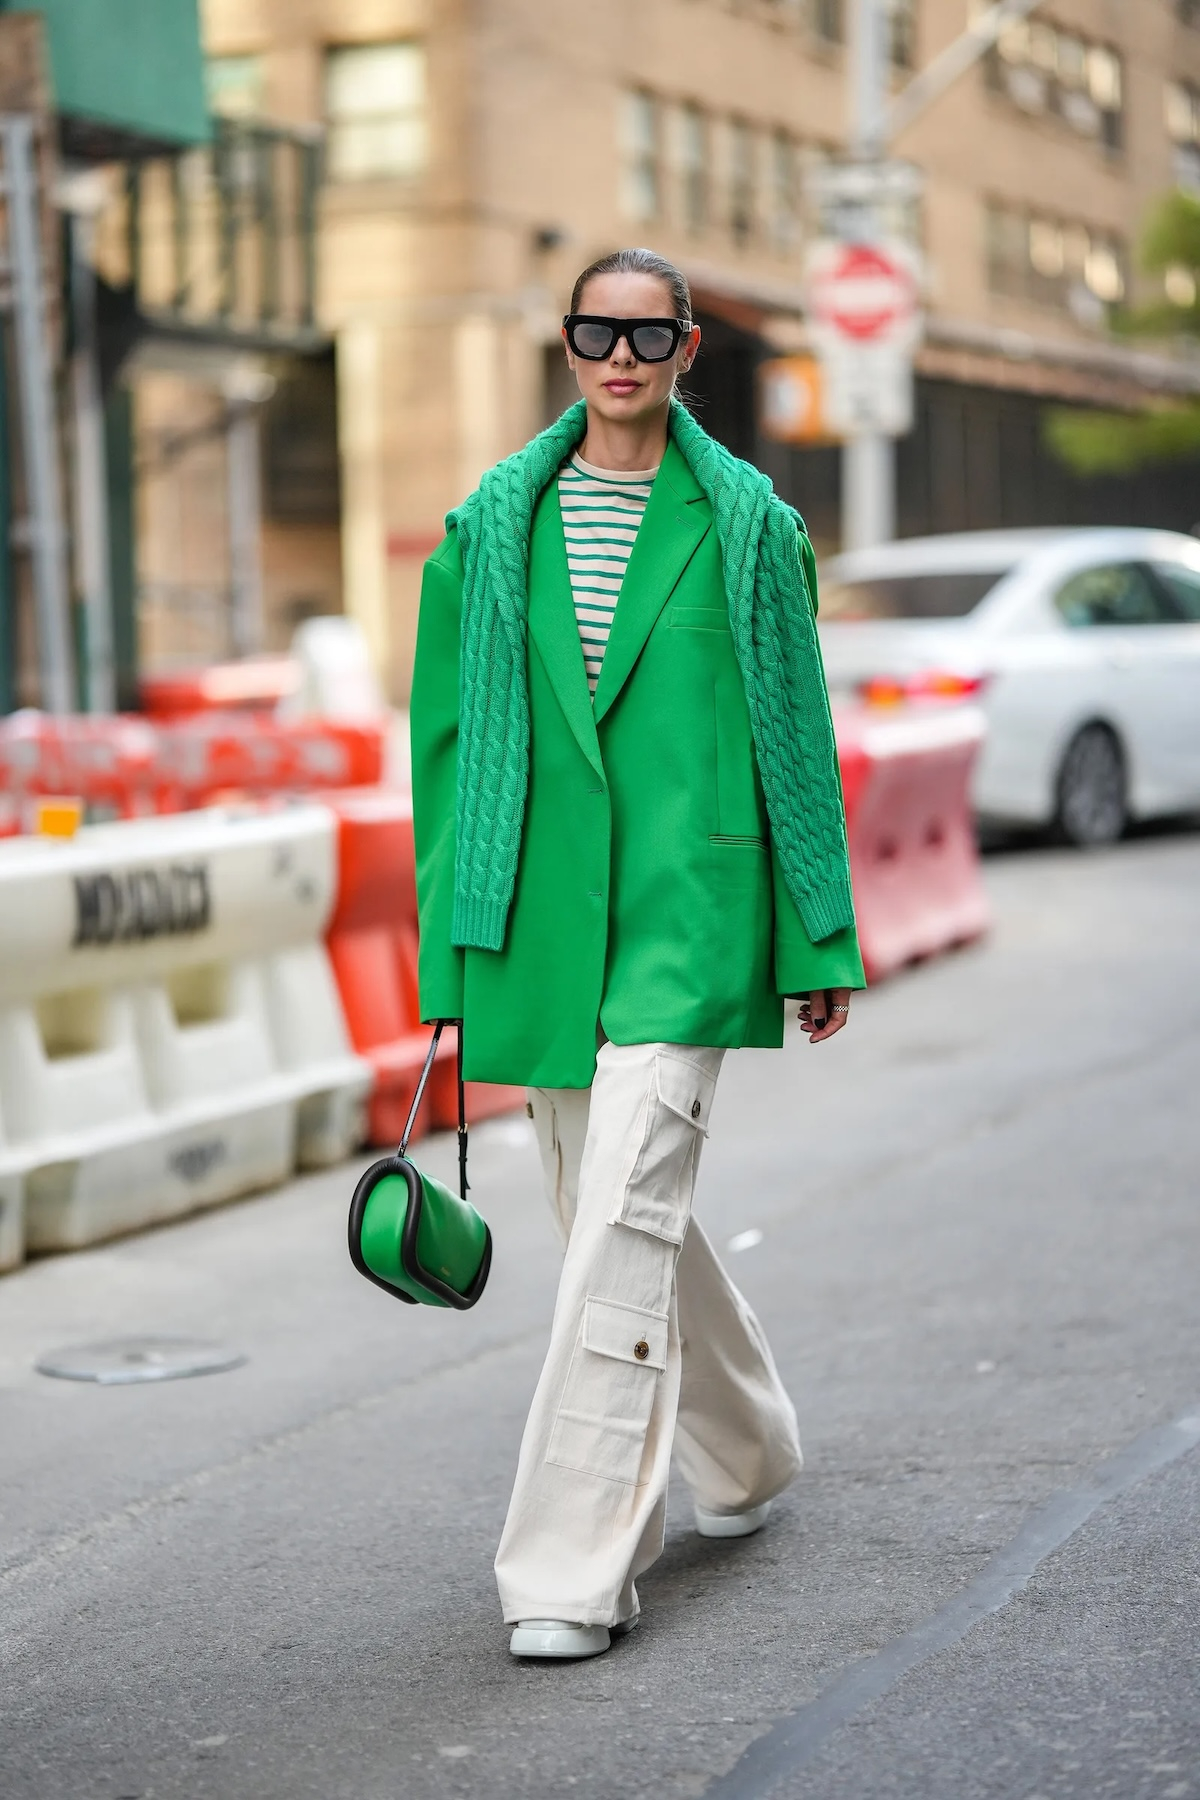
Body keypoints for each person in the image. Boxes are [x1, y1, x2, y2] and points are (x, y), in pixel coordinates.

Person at [410, 247, 865, 1661]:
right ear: (566, 345)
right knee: (616, 1208)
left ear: (685, 349)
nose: (621, 354)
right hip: (543, 928)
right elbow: (446, 753)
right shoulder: (486, 530)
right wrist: (453, 954)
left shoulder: (748, 526)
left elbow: (797, 744)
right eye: (596, 332)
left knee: (616, 1225)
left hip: (688, 919)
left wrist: (818, 932)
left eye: (648, 332)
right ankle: (752, 1450)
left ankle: (569, 1564)